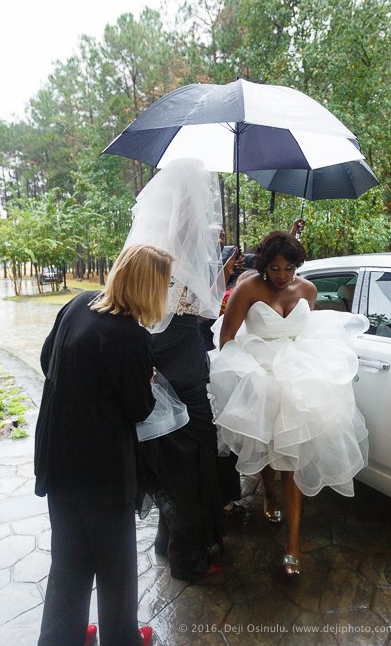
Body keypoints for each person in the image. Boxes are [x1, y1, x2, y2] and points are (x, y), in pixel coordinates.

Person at [207, 231, 369, 576]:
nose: (282, 276)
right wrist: (249, 374)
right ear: (264, 265)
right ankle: (268, 493)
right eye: (275, 268)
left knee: (291, 458)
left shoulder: (307, 290)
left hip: (297, 378)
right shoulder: (248, 289)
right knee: (266, 444)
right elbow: (227, 340)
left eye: (289, 268)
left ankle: (293, 544)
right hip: (261, 375)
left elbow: (306, 333)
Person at [35, 243, 172, 646]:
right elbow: (140, 409)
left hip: (57, 458)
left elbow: (47, 361)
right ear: (150, 286)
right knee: (115, 566)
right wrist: (146, 381)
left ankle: (63, 637)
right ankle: (122, 639)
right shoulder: (130, 335)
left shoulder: (78, 305)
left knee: (69, 560)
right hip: (102, 469)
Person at [123, 158, 239, 581]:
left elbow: (197, 307)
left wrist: (221, 271)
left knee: (176, 459)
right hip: (179, 364)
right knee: (187, 461)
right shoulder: (170, 256)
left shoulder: (161, 250)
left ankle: (169, 542)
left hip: (174, 358)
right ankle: (188, 559)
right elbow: (201, 310)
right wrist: (219, 276)